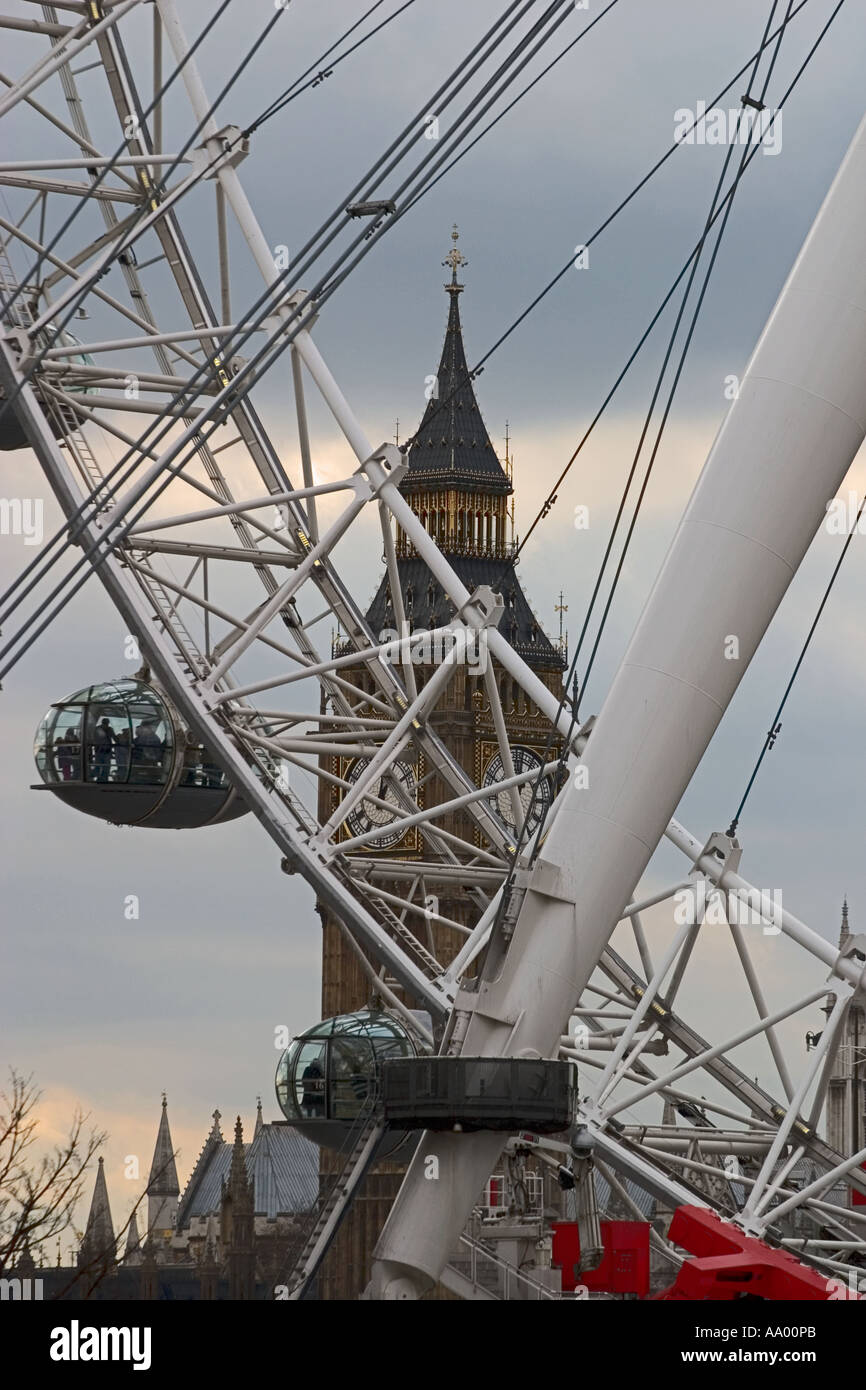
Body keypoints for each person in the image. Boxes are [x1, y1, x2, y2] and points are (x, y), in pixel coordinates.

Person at [91, 718, 114, 783]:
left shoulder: (98, 729)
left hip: (101, 750)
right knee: (104, 766)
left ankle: (101, 778)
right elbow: (114, 737)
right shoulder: (108, 729)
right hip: (103, 750)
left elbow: (94, 739)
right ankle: (102, 779)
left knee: (101, 766)